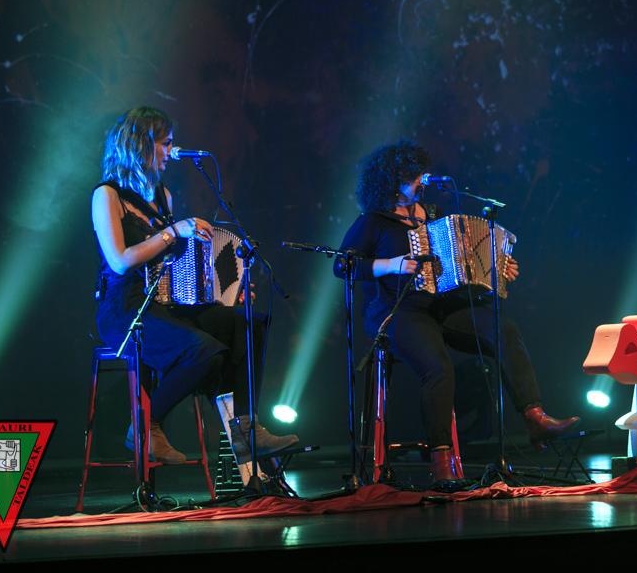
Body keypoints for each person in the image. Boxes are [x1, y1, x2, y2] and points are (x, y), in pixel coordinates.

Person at [334, 140, 578, 483]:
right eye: (412, 176)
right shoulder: (374, 222)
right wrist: (391, 264)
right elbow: (342, 266)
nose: (420, 181)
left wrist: (499, 268)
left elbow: (464, 263)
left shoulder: (435, 215)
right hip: (397, 311)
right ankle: (441, 459)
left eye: (420, 173)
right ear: (391, 180)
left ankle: (535, 418)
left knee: (503, 329)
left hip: (443, 306)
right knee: (438, 367)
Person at [92, 107, 296, 464]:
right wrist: (174, 231)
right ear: (140, 145)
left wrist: (224, 286)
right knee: (203, 351)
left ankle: (246, 428)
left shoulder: (162, 196)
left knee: (248, 323)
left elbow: (174, 262)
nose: (171, 151)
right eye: (165, 143)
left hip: (166, 305)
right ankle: (145, 426)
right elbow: (120, 260)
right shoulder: (107, 195)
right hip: (124, 309)